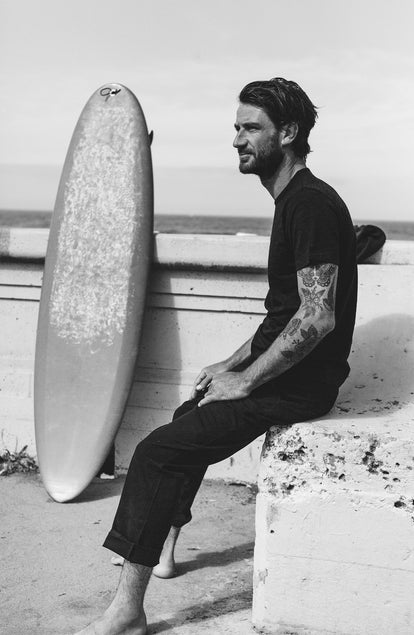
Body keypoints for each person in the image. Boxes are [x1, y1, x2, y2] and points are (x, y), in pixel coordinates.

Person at [75, 77, 357, 634]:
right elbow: (284, 314)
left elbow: (317, 317)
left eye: (251, 128)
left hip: (302, 386)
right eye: (236, 127)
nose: (237, 139)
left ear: (290, 133)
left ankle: (126, 612)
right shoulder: (294, 200)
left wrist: (247, 383)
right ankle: (164, 545)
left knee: (157, 451)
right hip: (288, 375)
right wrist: (230, 364)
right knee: (189, 416)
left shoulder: (310, 205)